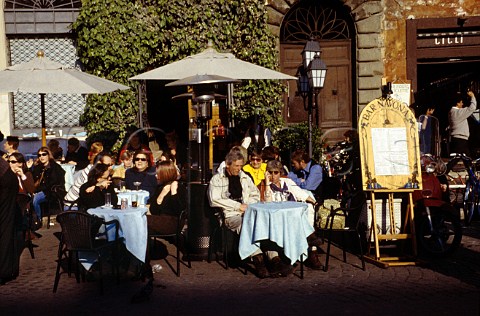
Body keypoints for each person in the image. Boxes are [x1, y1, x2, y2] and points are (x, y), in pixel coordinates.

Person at [209, 150, 286, 278]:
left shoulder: (244, 177)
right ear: (228, 165)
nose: (239, 169)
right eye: (236, 166)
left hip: (248, 212)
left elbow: (255, 193)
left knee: (264, 224)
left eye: (240, 166)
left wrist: (248, 205)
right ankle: (259, 260)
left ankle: (274, 259)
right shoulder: (217, 180)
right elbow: (214, 199)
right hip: (230, 215)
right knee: (247, 226)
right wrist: (238, 206)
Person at [264, 160, 323, 269]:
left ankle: (312, 251)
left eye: (275, 172)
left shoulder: (287, 182)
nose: (273, 175)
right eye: (270, 172)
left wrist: (313, 202)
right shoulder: (265, 186)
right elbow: (268, 204)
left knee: (308, 208)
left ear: (280, 172)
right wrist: (267, 183)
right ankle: (310, 239)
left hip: (291, 217)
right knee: (302, 223)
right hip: (277, 218)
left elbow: (300, 193)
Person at [142, 161, 187, 278]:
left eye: (158, 173)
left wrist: (173, 192)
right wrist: (162, 194)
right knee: (141, 223)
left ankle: (143, 264)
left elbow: (179, 210)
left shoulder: (180, 187)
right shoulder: (160, 187)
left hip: (174, 222)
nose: (156, 176)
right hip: (161, 220)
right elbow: (154, 210)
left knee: (142, 221)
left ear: (165, 173)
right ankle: (142, 260)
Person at [31, 147, 66, 225]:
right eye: (39, 155)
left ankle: (39, 220)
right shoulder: (38, 167)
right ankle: (29, 221)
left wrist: (36, 191)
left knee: (36, 199)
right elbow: (31, 179)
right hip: (40, 190)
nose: (41, 157)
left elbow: (51, 184)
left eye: (44, 154)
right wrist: (29, 168)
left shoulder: (55, 167)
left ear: (48, 155)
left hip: (52, 191)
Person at [0, 158, 20, 285]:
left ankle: (3, 271)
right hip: (6, 179)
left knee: (4, 227)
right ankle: (5, 269)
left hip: (5, 181)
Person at [448, 90, 477, 156]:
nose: (462, 104)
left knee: (465, 158)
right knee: (460, 157)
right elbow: (472, 108)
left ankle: (469, 166)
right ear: (457, 103)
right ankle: (447, 166)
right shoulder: (458, 112)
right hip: (460, 139)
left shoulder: (451, 112)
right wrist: (472, 96)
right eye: (461, 103)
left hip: (456, 138)